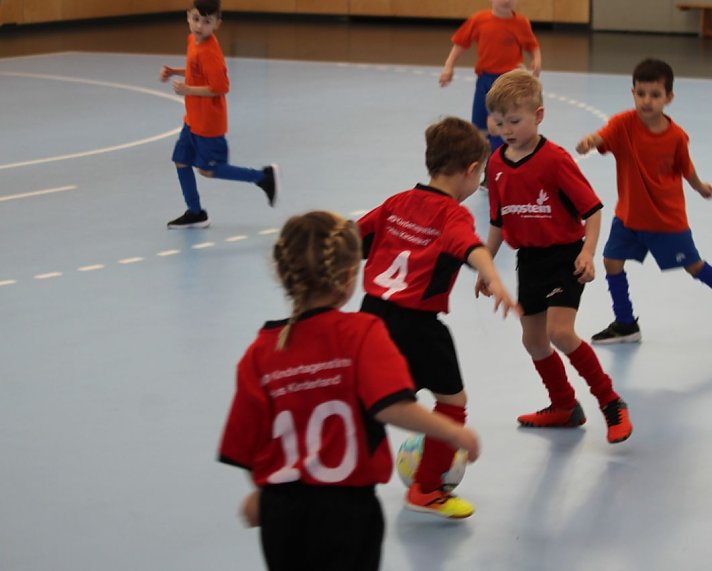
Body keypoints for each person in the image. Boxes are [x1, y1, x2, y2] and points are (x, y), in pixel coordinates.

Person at [218, 211, 481, 571]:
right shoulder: (361, 332)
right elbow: (392, 406)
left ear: (282, 274)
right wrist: (452, 432)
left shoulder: (260, 352)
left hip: (282, 515)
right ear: (348, 278)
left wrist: (264, 495)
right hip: (347, 512)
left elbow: (247, 443)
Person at [358, 116, 516, 519]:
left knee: (371, 401)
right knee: (452, 401)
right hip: (417, 326)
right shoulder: (453, 215)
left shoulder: (397, 202)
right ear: (471, 171)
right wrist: (493, 275)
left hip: (370, 316)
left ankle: (339, 473)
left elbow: (351, 239)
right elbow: (471, 248)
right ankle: (427, 489)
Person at [479, 69, 633, 443]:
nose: (506, 129)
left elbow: (593, 210)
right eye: (499, 122)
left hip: (565, 256)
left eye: (514, 121)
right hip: (529, 261)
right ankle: (564, 405)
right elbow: (498, 221)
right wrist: (486, 264)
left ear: (539, 116)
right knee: (533, 341)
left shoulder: (555, 160)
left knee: (560, 332)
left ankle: (610, 401)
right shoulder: (496, 164)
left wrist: (588, 252)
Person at [575, 58, 712, 347]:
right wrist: (590, 140)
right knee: (612, 261)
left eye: (655, 94)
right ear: (633, 93)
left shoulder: (676, 137)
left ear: (669, 97)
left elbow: (686, 168)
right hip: (628, 217)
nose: (646, 101)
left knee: (695, 267)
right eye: (641, 93)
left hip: (666, 221)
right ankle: (625, 323)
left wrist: (700, 187)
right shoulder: (622, 124)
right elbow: (602, 136)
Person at [160, 0, 279, 229]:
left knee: (208, 170)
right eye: (196, 19)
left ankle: (263, 177)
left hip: (208, 123)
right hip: (192, 120)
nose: (199, 26)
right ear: (188, 16)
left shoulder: (210, 52)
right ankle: (195, 213)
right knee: (181, 160)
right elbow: (196, 72)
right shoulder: (193, 40)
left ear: (217, 24)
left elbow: (221, 87)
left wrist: (187, 90)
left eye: (207, 22)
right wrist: (175, 71)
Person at [439, 0, 541, 153]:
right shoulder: (479, 20)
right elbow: (461, 42)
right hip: (485, 80)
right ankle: (482, 157)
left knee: (502, 121)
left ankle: (501, 156)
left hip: (508, 83)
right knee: (479, 125)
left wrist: (536, 60)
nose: (507, 1)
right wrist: (449, 65)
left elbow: (532, 45)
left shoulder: (521, 23)